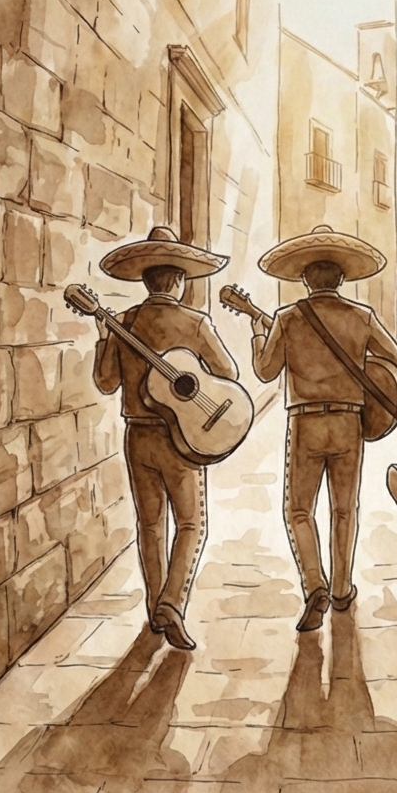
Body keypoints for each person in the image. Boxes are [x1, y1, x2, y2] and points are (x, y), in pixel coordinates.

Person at [246, 224, 397, 632]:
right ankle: (340, 588)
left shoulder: (287, 317)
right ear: (341, 279)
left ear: (304, 278)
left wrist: (257, 333)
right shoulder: (362, 316)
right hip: (349, 420)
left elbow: (265, 371)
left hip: (305, 421)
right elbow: (396, 358)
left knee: (299, 509)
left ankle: (313, 585)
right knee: (344, 509)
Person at [90, 223, 240, 652]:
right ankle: (172, 603)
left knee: (150, 524)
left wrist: (104, 341)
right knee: (191, 523)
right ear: (178, 279)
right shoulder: (196, 323)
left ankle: (156, 607)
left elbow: (104, 382)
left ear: (146, 279)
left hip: (138, 435)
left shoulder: (123, 323)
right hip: (182, 439)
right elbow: (228, 374)